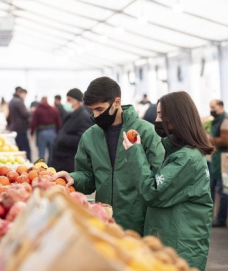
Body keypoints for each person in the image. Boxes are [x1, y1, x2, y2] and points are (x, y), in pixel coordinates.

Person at [53, 77, 164, 235]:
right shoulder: (90, 137)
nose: (96, 115)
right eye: (92, 110)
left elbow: (157, 179)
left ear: (117, 102)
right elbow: (89, 176)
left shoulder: (146, 132)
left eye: (99, 109)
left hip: (139, 223)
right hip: (104, 223)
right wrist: (74, 178)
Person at [122, 91, 214, 271]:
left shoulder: (186, 158)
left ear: (175, 118)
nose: (156, 120)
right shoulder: (179, 153)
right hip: (174, 239)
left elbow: (153, 192)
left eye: (160, 115)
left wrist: (135, 152)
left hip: (180, 245)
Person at [51, 88, 93, 173]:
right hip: (61, 158)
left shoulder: (83, 117)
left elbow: (82, 139)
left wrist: (62, 138)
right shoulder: (71, 114)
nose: (67, 102)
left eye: (69, 100)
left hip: (69, 160)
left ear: (77, 101)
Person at [208, 99, 228, 227]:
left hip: (224, 159)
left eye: (213, 107)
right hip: (216, 159)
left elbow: (225, 141)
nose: (211, 110)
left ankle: (221, 218)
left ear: (220, 107)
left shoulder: (226, 121)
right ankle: (212, 216)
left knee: (222, 190)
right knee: (213, 188)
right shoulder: (217, 120)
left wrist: (209, 139)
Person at [30, 97, 61, 165]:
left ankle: (41, 168)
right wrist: (58, 132)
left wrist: (32, 133)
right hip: (52, 132)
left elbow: (33, 123)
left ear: (41, 101)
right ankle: (51, 168)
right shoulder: (54, 109)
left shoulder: (38, 110)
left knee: (41, 152)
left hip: (41, 132)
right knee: (52, 152)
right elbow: (58, 122)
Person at [7, 88, 31, 161]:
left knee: (20, 148)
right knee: (25, 149)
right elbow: (25, 114)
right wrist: (31, 111)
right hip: (20, 128)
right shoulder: (18, 102)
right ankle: (28, 164)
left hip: (15, 127)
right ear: (21, 93)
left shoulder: (12, 101)